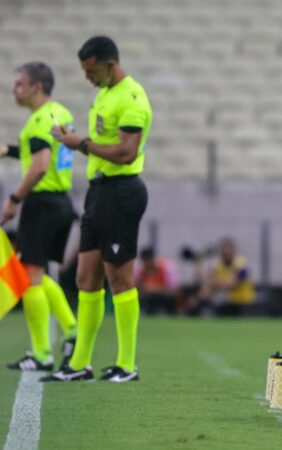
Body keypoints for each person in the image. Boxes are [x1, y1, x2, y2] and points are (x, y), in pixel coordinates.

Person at [42, 36, 152, 383]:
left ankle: (127, 363)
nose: (88, 78)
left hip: (122, 192)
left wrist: (82, 144)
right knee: (85, 277)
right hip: (99, 191)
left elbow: (126, 153)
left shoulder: (132, 97)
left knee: (119, 276)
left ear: (110, 64)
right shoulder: (103, 94)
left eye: (92, 71)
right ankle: (80, 364)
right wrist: (74, 140)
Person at [1, 62, 78, 371]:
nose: (14, 89)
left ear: (37, 86)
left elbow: (40, 164)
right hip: (61, 202)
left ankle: (42, 353)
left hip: (41, 202)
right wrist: (8, 150)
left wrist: (14, 198)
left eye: (19, 83)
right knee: (35, 273)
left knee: (29, 277)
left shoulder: (37, 120)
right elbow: (43, 152)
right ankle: (72, 330)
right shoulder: (62, 113)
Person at [191, 238, 255, 317]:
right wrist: (199, 264)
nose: (226, 252)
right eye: (224, 251)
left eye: (228, 250)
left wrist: (210, 280)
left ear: (233, 250)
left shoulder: (242, 264)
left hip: (244, 303)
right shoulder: (218, 265)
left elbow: (230, 284)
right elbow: (208, 280)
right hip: (228, 303)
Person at [134, 247, 180, 315]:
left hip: (163, 296)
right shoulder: (140, 270)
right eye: (145, 260)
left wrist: (154, 289)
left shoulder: (166, 268)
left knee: (170, 300)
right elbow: (136, 286)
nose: (147, 263)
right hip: (148, 297)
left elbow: (174, 288)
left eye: (148, 260)